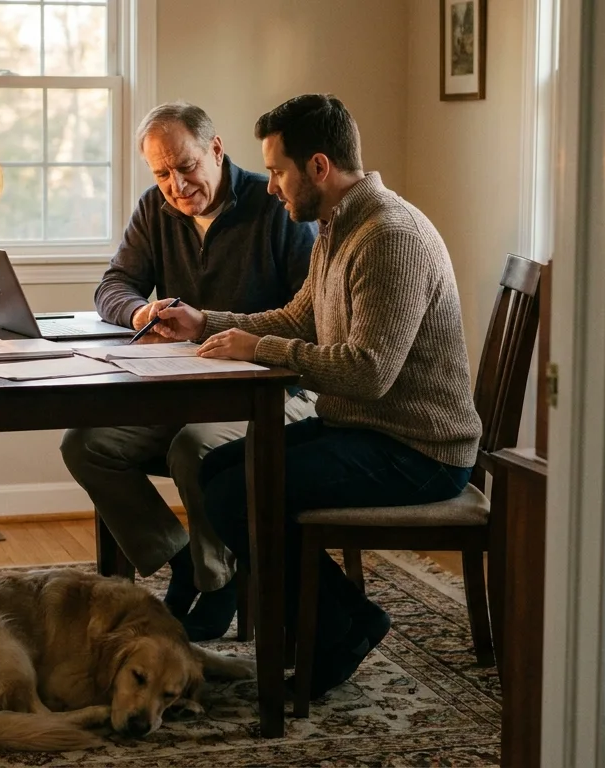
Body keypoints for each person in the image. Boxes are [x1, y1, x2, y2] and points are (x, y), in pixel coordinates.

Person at [151, 94, 483, 697]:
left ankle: (336, 631)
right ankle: (338, 622)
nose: (271, 188)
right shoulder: (338, 225)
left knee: (237, 487)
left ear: (320, 167)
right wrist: (208, 323)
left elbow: (368, 373)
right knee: (217, 467)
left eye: (277, 171)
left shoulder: (390, 236)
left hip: (419, 451)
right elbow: (300, 317)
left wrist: (259, 350)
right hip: (367, 429)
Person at [59, 101, 318, 641]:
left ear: (216, 150)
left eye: (186, 166)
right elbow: (112, 286)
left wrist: (211, 329)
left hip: (274, 394)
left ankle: (218, 580)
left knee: (194, 447)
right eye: (161, 173)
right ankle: (180, 560)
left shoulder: (275, 208)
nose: (176, 185)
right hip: (180, 390)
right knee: (86, 443)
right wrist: (141, 311)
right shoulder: (155, 210)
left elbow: (310, 319)